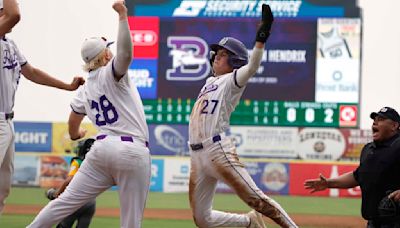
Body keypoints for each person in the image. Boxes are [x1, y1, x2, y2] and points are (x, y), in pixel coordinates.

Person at [27, 1, 151, 228]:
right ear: (104, 57)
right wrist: (123, 15)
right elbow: (126, 54)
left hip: (101, 150)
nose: (112, 53)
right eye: (108, 50)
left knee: (62, 204)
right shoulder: (112, 74)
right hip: (131, 149)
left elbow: (73, 124)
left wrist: (77, 134)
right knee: (131, 222)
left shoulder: (85, 89)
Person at [188, 4, 298, 228]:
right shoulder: (210, 82)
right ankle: (249, 223)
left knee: (257, 199)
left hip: (217, 149)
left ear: (235, 62)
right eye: (217, 54)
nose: (217, 57)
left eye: (223, 55)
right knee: (202, 219)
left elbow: (253, 66)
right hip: (196, 155)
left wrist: (261, 37)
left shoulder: (233, 80)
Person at [0, 0, 84, 215]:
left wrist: (66, 86)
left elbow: (32, 73)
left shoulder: (10, 44)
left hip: (8, 122)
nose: (6, 15)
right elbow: (14, 14)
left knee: (2, 188)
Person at [305, 106, 400, 228]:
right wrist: (329, 183)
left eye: (381, 119)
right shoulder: (368, 149)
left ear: (394, 126)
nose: (375, 122)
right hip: (373, 223)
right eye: (374, 119)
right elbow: (358, 176)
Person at [45, 138, 96, 228]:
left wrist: (57, 194)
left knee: (64, 225)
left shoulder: (77, 162)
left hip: (76, 200)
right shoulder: (97, 164)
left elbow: (69, 180)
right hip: (91, 203)